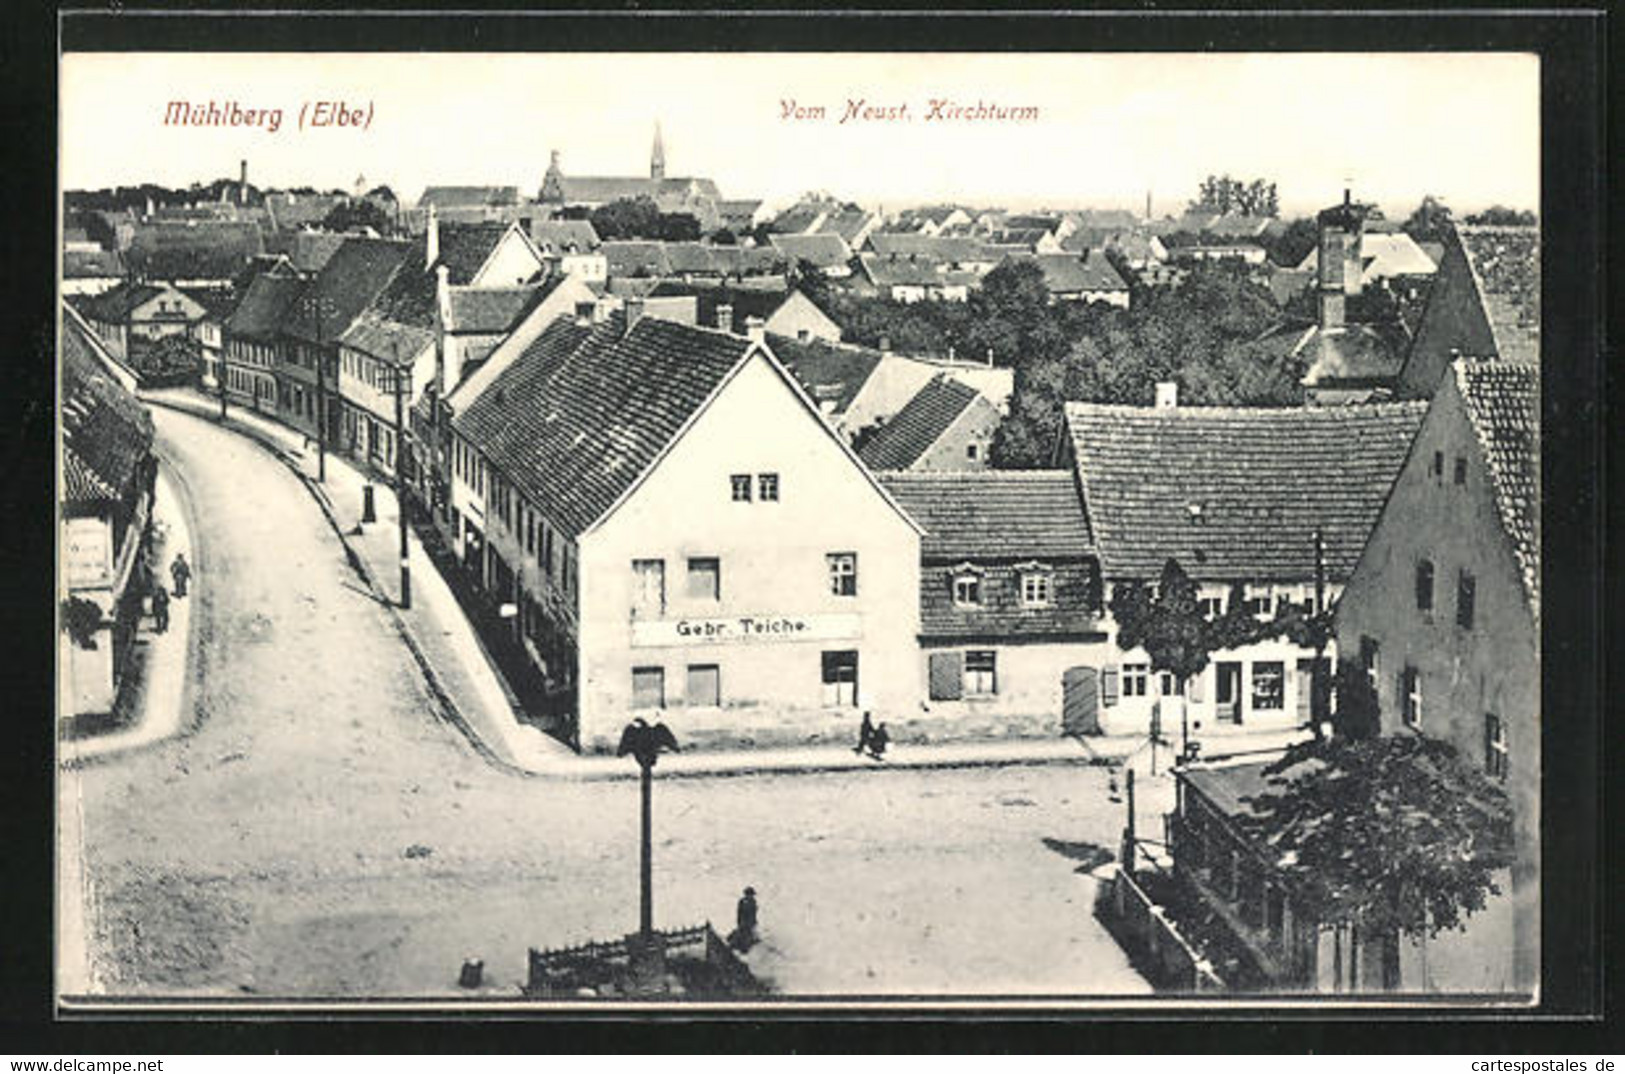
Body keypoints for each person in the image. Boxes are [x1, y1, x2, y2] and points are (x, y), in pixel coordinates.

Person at [731, 886, 759, 952]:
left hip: (749, 924)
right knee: (737, 935)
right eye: (748, 894)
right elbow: (739, 913)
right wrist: (740, 922)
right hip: (743, 923)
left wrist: (752, 923)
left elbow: (753, 914)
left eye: (751, 895)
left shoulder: (753, 902)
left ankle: (744, 950)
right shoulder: (742, 901)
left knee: (747, 938)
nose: (749, 896)